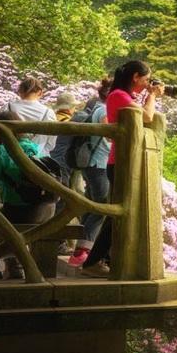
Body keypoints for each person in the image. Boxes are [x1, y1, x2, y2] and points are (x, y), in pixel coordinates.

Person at [80, 61, 163, 278]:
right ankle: (93, 262)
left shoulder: (125, 97)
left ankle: (107, 259)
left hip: (126, 161)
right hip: (119, 162)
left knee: (122, 215)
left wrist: (148, 97)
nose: (147, 84)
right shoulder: (118, 96)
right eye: (146, 80)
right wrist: (152, 97)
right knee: (117, 215)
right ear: (135, 77)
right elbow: (146, 117)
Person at [0, 110, 56, 280]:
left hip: (19, 212)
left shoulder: (1, 151)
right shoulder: (36, 149)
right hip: (46, 211)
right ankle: (13, 264)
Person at [67, 79, 113, 267]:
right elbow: (111, 134)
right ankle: (82, 251)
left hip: (94, 164)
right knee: (101, 207)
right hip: (98, 164)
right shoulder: (103, 110)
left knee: (91, 204)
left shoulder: (99, 108)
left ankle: (81, 248)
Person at [1, 77, 57, 156]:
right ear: (40, 93)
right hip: (38, 158)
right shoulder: (48, 113)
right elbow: (51, 143)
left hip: (9, 156)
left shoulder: (7, 107)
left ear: (19, 91)